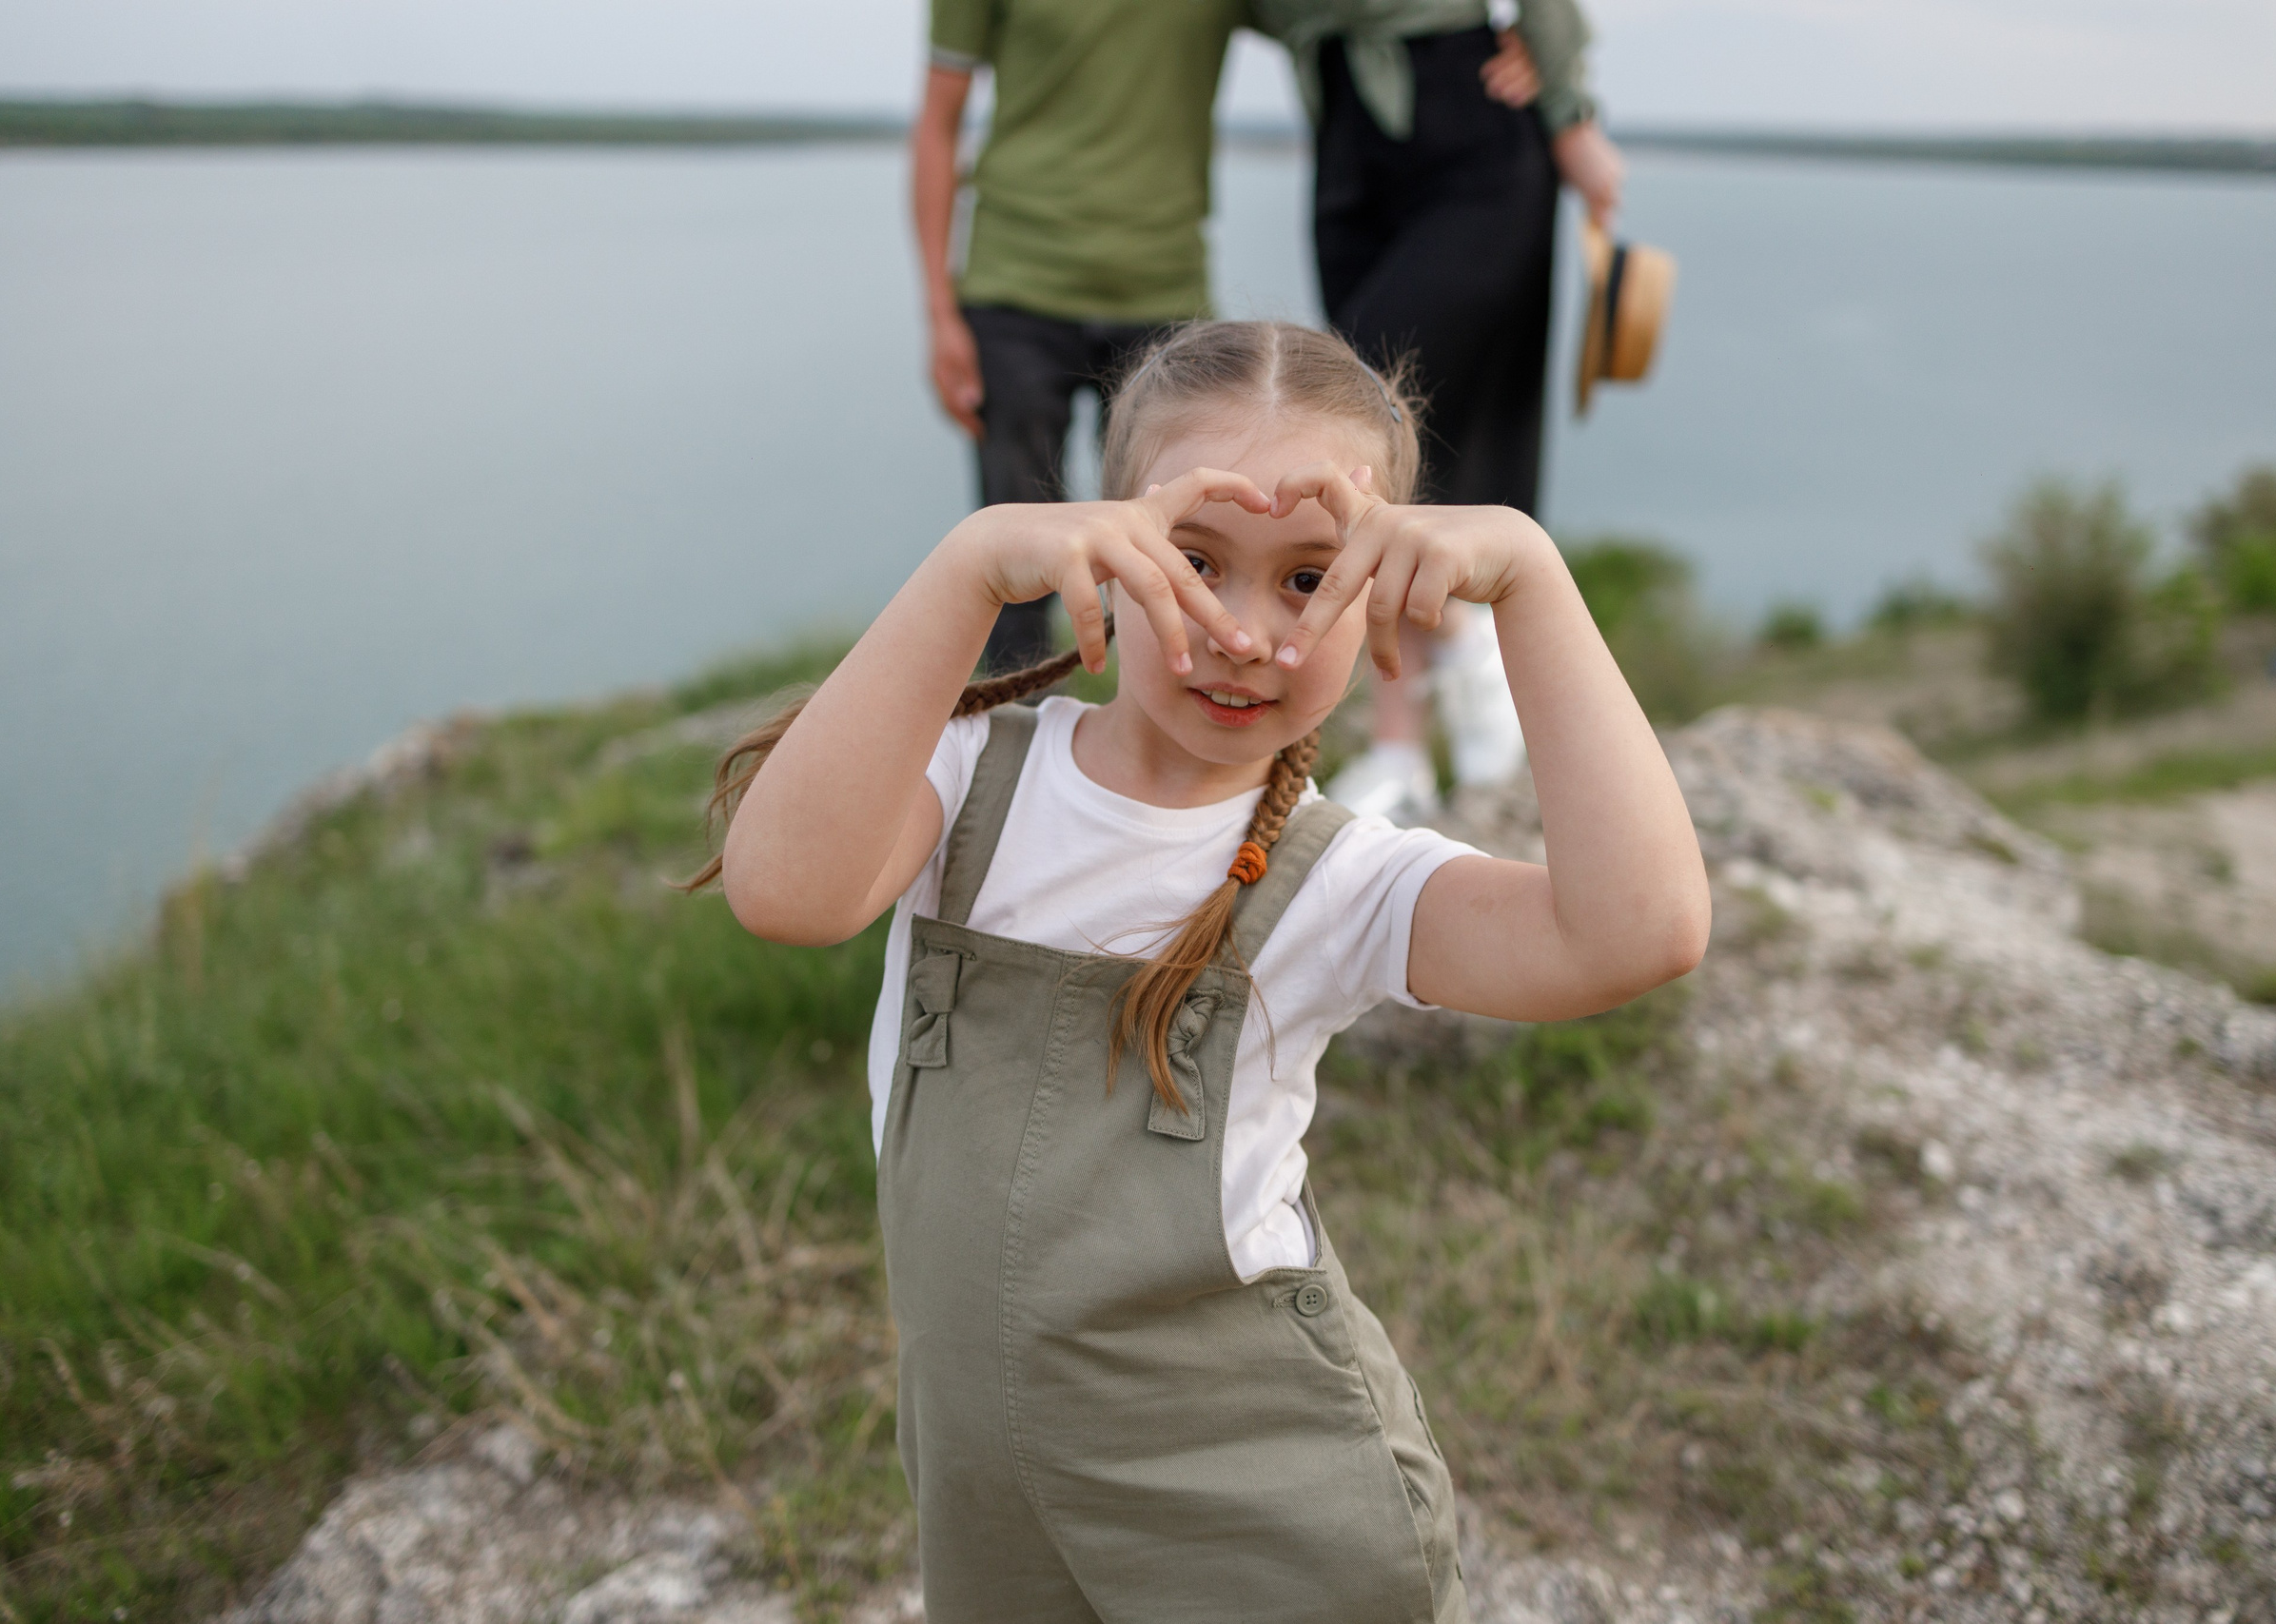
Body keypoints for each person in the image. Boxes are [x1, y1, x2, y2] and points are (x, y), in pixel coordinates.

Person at [692, 322, 1707, 1621]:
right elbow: (783, 891)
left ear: (1388, 591)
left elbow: (1639, 931)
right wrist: (964, 569)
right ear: (1101, 549)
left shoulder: (1339, 882)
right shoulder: (965, 778)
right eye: (1196, 560)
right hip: (987, 1488)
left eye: (1308, 579)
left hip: (1264, 1503)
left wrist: (1532, 577)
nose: (1242, 629)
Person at [911, 0, 1547, 677]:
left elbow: (1349, 16)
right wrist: (939, 312)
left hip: (1164, 290)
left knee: (1186, 558)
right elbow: (937, 124)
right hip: (1014, 285)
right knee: (1017, 565)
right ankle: (1012, 749)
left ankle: (1175, 751)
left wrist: (1514, 37)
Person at [1255, 0, 1628, 821]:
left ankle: (1467, 641)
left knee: (1366, 409)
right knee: (1386, 448)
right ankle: (1404, 742)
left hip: (1470, 116)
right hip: (1344, 126)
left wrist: (1570, 109)